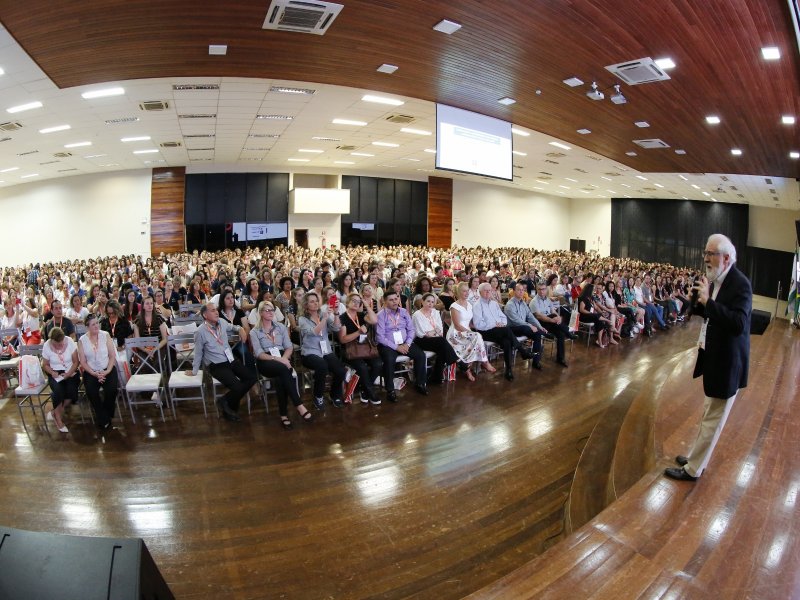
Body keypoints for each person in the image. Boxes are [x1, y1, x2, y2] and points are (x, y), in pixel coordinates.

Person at [665, 234, 752, 482]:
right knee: (707, 416)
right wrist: (697, 302)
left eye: (710, 254)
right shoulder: (717, 279)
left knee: (713, 421)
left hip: (728, 364)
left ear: (726, 257)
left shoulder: (740, 284)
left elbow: (739, 323)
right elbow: (712, 314)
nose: (705, 258)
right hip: (715, 358)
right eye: (705, 253)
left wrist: (708, 302)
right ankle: (695, 458)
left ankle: (693, 469)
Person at [187, 303, 256, 422]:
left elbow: (233, 326)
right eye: (212, 310)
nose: (216, 312)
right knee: (237, 386)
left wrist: (240, 329)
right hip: (216, 365)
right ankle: (229, 406)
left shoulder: (222, 323)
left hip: (230, 359)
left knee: (252, 378)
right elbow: (198, 353)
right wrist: (194, 370)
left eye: (216, 310)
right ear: (205, 315)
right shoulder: (200, 331)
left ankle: (225, 402)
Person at [251, 300, 313, 428]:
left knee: (281, 377)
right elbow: (259, 354)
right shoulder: (255, 332)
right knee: (284, 370)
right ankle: (299, 405)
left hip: (282, 357)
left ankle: (284, 415)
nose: (271, 312)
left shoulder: (281, 327)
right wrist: (282, 361)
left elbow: (289, 347)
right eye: (267, 310)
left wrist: (284, 358)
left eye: (272, 310)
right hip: (266, 361)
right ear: (261, 313)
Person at [376, 289, 429, 401]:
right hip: (388, 345)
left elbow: (411, 330)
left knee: (420, 355)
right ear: (385, 302)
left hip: (405, 343)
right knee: (389, 360)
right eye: (391, 300)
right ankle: (390, 390)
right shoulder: (381, 315)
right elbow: (380, 337)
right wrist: (397, 347)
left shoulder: (404, 312)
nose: (395, 302)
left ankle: (420, 383)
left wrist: (407, 344)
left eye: (396, 298)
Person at [298, 291, 347, 409]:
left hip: (325, 351)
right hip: (310, 353)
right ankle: (318, 396)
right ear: (306, 305)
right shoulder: (302, 319)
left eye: (316, 301)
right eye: (312, 302)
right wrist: (324, 318)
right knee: (322, 366)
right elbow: (313, 332)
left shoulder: (322, 314)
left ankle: (334, 395)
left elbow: (336, 327)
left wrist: (335, 314)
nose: (315, 304)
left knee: (341, 370)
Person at [338, 292, 383, 405]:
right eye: (354, 300)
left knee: (378, 363)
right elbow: (343, 339)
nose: (356, 303)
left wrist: (366, 305)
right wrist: (358, 332)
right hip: (350, 350)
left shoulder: (362, 315)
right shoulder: (342, 318)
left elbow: (374, 320)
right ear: (347, 302)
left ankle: (365, 390)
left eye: (359, 302)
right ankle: (371, 392)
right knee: (362, 367)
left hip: (364, 348)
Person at [77, 313, 119, 431]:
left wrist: (107, 371)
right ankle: (103, 417)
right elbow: (83, 362)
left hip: (107, 368)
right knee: (91, 392)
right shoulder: (82, 340)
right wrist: (94, 373)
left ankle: (103, 415)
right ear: (87, 327)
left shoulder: (105, 335)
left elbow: (112, 356)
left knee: (112, 390)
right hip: (91, 371)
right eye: (93, 324)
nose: (96, 326)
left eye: (97, 323)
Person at [446, 282, 493, 381]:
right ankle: (484, 362)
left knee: (476, 338)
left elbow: (471, 323)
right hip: (455, 334)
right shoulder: (454, 306)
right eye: (464, 291)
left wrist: (483, 325)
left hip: (467, 333)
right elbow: (458, 325)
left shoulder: (470, 305)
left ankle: (468, 369)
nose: (467, 293)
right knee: (477, 337)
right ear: (458, 293)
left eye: (468, 291)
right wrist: (471, 332)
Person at [412, 292, 458, 384]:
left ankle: (436, 377)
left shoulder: (435, 312)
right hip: (421, 340)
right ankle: (456, 361)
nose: (430, 304)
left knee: (442, 350)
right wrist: (433, 331)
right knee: (442, 342)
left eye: (432, 302)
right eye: (428, 301)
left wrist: (433, 331)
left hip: (436, 339)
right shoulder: (417, 315)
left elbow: (440, 329)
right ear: (422, 302)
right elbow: (422, 333)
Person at [41, 326, 80, 433]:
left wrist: (68, 374)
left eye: (61, 343)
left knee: (72, 392)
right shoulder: (47, 345)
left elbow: (76, 362)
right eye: (57, 344)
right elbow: (45, 365)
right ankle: (58, 418)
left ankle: (55, 412)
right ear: (52, 341)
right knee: (58, 391)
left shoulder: (70, 341)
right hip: (55, 373)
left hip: (70, 371)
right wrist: (52, 372)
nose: (60, 346)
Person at [504, 282, 545, 370]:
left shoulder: (523, 303)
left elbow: (530, 316)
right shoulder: (509, 305)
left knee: (537, 335)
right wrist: (530, 326)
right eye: (519, 290)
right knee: (526, 327)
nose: (521, 292)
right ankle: (545, 333)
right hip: (512, 329)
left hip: (523, 327)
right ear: (514, 291)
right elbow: (516, 321)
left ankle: (536, 361)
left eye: (523, 290)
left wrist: (539, 326)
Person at [530, 283, 571, 367]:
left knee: (561, 334)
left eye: (543, 289)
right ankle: (568, 332)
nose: (542, 291)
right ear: (537, 290)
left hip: (551, 323)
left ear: (546, 290)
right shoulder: (534, 301)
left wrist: (558, 317)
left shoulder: (548, 300)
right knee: (552, 316)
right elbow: (539, 316)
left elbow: (553, 311)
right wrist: (553, 319)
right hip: (541, 324)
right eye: (540, 289)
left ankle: (560, 359)